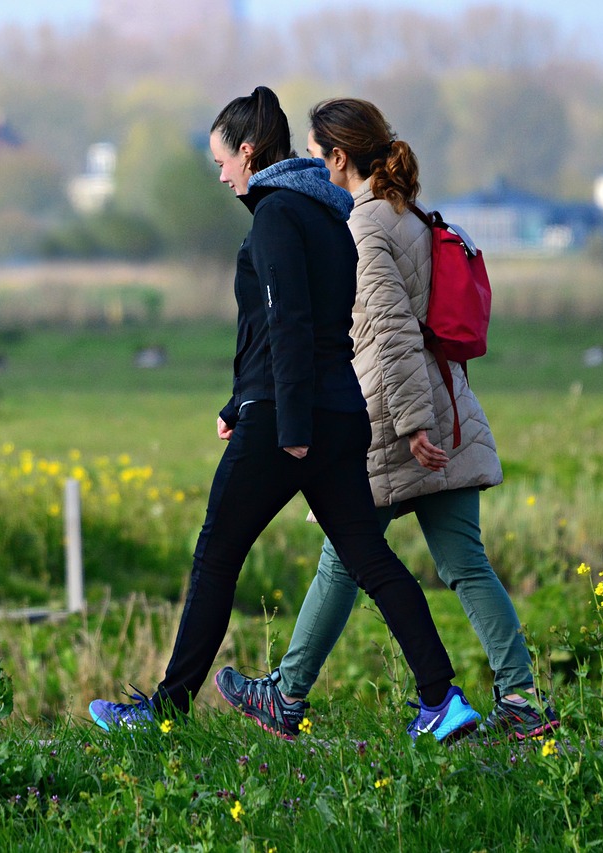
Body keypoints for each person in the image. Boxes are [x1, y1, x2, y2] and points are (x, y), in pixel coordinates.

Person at [88, 86, 481, 744]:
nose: (219, 174)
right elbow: (293, 330)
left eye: (222, 160)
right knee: (368, 555)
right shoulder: (326, 214)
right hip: (335, 409)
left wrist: (286, 425)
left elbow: (290, 324)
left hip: (290, 418)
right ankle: (443, 699)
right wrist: (236, 402)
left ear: (248, 151)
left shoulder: (274, 216)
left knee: (216, 554)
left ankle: (165, 711)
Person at [215, 97, 560, 741]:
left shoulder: (366, 224)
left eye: (317, 156)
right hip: (447, 402)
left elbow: (392, 330)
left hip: (396, 415)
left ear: (340, 158)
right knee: (463, 562)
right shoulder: (408, 213)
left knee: (346, 557)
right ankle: (522, 701)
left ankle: (286, 697)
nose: (311, 166)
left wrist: (410, 423)